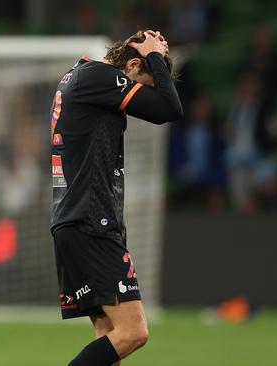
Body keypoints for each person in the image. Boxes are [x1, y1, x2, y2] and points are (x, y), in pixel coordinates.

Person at [49, 30, 182, 366]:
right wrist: (155, 56)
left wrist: (153, 59)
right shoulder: (97, 76)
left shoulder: (78, 77)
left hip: (77, 219)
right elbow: (169, 108)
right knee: (134, 332)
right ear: (133, 63)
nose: (142, 96)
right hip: (91, 220)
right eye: (142, 84)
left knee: (109, 335)